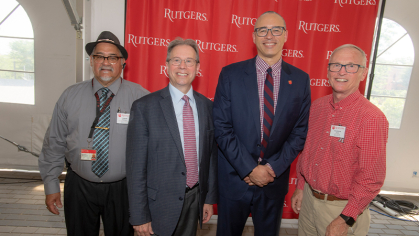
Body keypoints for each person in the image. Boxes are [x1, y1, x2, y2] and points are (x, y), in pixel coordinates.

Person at [38, 31, 149, 236]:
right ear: (91, 60)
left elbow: (152, 149)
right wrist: (51, 185)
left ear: (122, 62)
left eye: (113, 57)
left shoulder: (141, 99)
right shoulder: (69, 96)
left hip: (123, 190)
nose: (105, 62)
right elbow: (54, 142)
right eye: (99, 56)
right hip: (79, 186)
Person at [213, 11, 311, 236]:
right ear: (254, 36)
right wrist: (248, 168)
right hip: (235, 178)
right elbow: (221, 127)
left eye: (276, 30)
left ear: (285, 35)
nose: (269, 35)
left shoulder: (300, 80)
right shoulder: (230, 74)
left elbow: (299, 133)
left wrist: (270, 169)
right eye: (262, 30)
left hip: (272, 182)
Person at [291, 44, 389, 236]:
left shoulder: (371, 118)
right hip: (309, 201)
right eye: (335, 65)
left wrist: (346, 218)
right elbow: (308, 152)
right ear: (328, 71)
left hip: (342, 210)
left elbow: (371, 179)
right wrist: (301, 188)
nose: (341, 72)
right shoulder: (318, 107)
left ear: (363, 73)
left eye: (351, 66)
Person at [126, 38, 218, 236]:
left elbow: (210, 157)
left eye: (189, 61)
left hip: (194, 200)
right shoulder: (144, 108)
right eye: (176, 60)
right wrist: (140, 215)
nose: (182, 66)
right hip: (157, 206)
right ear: (166, 66)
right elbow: (136, 168)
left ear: (197, 66)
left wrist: (208, 198)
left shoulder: (208, 108)